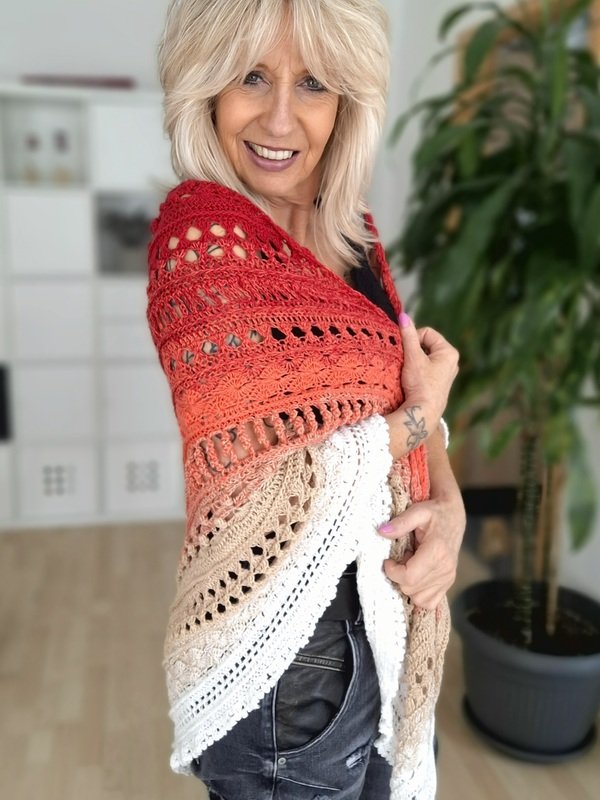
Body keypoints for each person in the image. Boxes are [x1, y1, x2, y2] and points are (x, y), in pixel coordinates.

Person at [147, 1, 465, 798]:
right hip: (283, 661)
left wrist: (451, 508)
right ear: (207, 85)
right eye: (252, 77)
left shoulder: (352, 232)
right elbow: (276, 482)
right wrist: (423, 417)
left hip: (381, 622)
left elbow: (405, 399)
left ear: (347, 99)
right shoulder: (203, 242)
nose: (281, 118)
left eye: (314, 83)